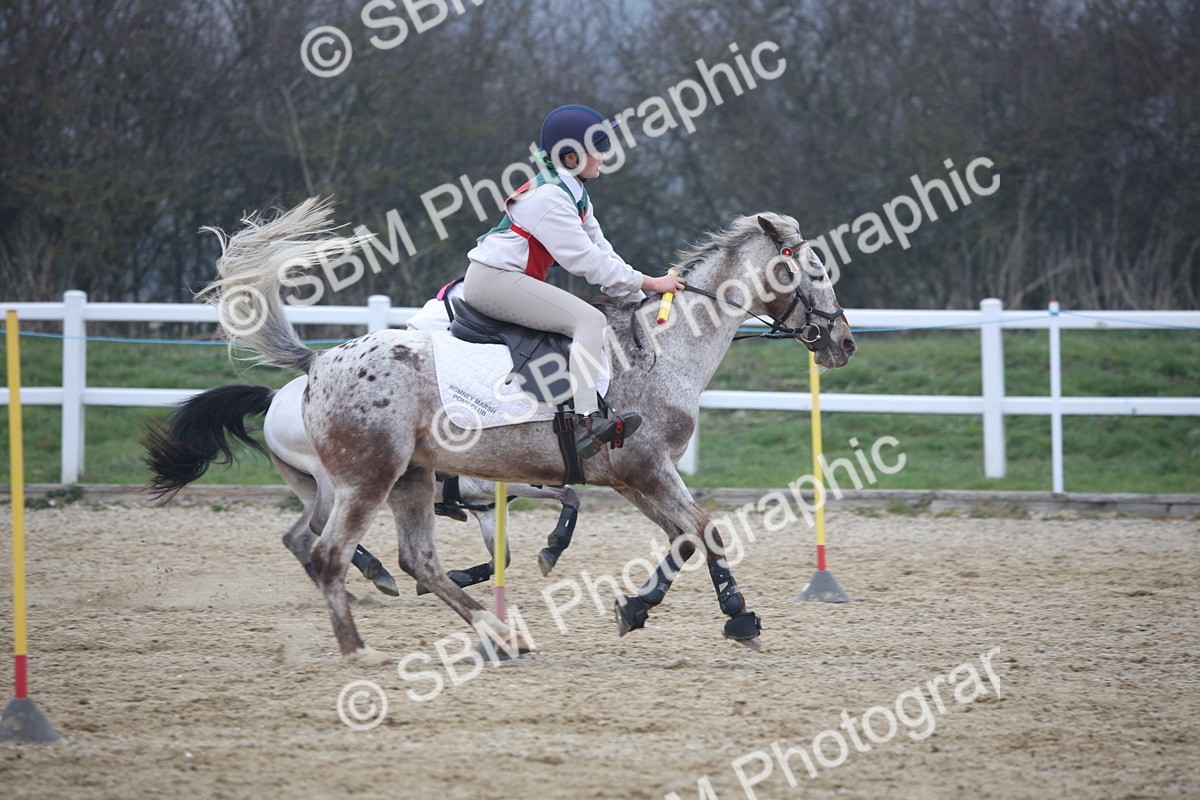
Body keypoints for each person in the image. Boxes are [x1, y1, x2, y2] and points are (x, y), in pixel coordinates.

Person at [463, 104, 685, 458]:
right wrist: (648, 283)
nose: (603, 156)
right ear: (570, 157)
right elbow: (586, 261)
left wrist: (634, 295)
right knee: (589, 320)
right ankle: (587, 422)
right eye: (598, 148)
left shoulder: (574, 192)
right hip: (493, 282)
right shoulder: (551, 197)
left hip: (505, 279)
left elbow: (602, 250)